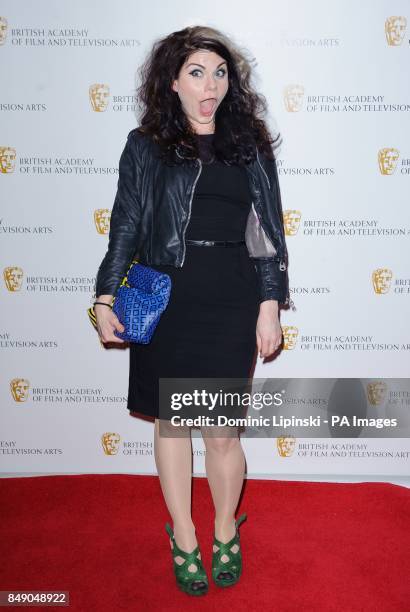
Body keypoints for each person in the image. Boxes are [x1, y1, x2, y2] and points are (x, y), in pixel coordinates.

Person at [93, 25, 291, 596]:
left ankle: (225, 526)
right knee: (173, 427)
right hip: (167, 295)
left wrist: (270, 300)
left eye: (220, 72)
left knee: (223, 434)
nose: (211, 85)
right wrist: (105, 296)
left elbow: (267, 233)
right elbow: (125, 227)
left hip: (231, 295)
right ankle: (183, 534)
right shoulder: (146, 145)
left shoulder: (247, 143)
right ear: (172, 82)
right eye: (197, 73)